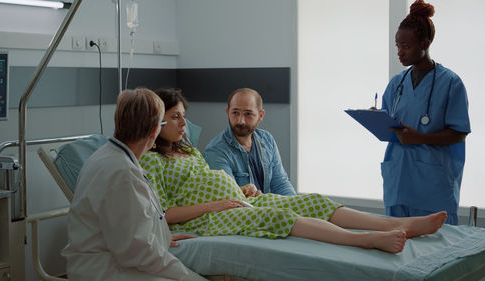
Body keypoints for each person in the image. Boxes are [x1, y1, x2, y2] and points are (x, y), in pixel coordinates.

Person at [140, 88, 448, 254]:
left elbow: (275, 184)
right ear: (157, 123)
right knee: (280, 216)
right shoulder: (151, 162)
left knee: (311, 201)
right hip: (209, 218)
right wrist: (219, 203)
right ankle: (366, 239)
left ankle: (398, 222)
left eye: (184, 116)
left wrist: (240, 191)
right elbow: (161, 214)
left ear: (259, 116)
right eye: (176, 117)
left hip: (236, 200)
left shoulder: (190, 151)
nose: (185, 124)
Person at [62, 88, 206, 281]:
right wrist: (190, 277)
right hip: (106, 271)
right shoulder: (122, 171)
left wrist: (161, 236)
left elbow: (129, 225)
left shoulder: (110, 157)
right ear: (156, 130)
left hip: (111, 260)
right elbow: (137, 251)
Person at [380, 0, 471, 225]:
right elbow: (387, 123)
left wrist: (420, 138)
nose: (400, 52)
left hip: (432, 185)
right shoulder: (396, 84)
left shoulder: (451, 83)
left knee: (437, 249)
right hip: (399, 179)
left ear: (425, 43)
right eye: (397, 46)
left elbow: (459, 133)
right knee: (398, 248)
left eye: (406, 46)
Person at [203, 88, 296, 196]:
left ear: (260, 115)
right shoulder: (216, 150)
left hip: (266, 207)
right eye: (235, 113)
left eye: (248, 114)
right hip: (243, 211)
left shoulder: (267, 139)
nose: (240, 121)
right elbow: (230, 197)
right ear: (228, 112)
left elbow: (280, 184)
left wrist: (296, 205)